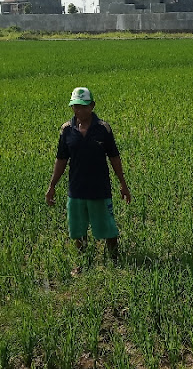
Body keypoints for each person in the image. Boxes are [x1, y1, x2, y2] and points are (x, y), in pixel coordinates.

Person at [46, 87, 131, 273]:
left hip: (99, 188)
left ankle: (114, 262)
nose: (79, 111)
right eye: (76, 107)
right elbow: (61, 159)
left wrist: (123, 184)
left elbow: (114, 157)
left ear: (92, 106)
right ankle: (82, 264)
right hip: (76, 189)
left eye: (84, 106)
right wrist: (52, 185)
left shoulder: (103, 129)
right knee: (78, 229)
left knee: (108, 227)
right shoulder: (66, 131)